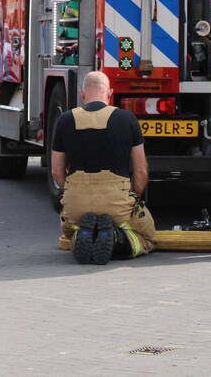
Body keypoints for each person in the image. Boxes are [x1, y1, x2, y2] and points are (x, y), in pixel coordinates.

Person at [51, 71, 157, 265]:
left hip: (77, 203)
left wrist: (70, 191)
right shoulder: (127, 119)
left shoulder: (65, 120)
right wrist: (134, 196)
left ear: (82, 94)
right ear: (110, 93)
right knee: (148, 237)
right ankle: (117, 238)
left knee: (69, 231)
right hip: (117, 202)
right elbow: (141, 170)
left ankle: (83, 234)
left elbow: (56, 171)